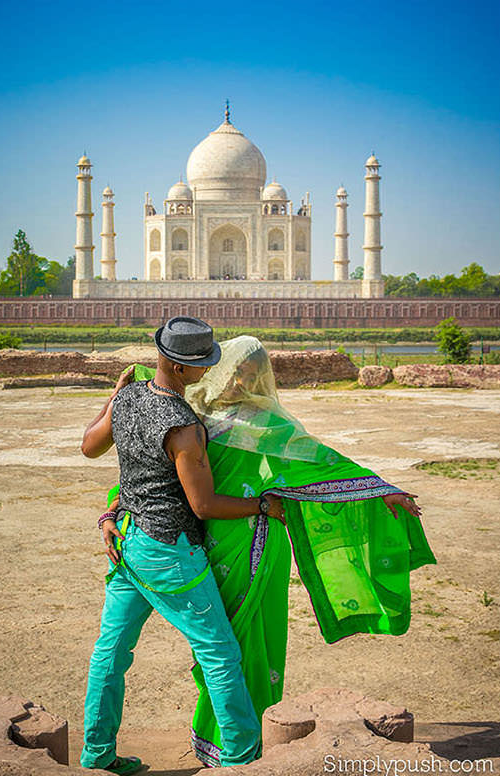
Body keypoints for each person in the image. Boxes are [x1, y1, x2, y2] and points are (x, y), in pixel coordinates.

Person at [107, 335, 432, 765]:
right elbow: (147, 471)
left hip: (257, 542)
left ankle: (237, 745)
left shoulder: (267, 426)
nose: (247, 378)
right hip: (207, 541)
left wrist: (379, 490)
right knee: (217, 650)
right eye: (240, 370)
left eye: (255, 371)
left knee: (249, 643)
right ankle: (225, 744)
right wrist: (111, 506)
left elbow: (320, 462)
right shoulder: (189, 411)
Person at [77, 317, 281, 774]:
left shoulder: (129, 395)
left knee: (111, 652)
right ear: (179, 366)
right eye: (201, 365)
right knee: (220, 653)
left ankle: (96, 754)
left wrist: (112, 398)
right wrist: (261, 507)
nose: (208, 372)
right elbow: (204, 505)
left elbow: (89, 446)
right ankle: (241, 760)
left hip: (126, 541)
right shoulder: (184, 426)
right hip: (168, 549)